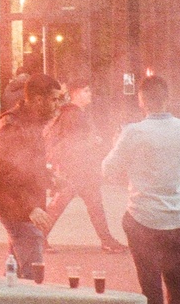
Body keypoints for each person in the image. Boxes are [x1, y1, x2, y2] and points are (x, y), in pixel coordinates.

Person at [103, 75, 180, 304]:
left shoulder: (134, 132)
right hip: (174, 214)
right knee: (175, 278)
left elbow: (108, 168)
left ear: (141, 100)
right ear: (167, 98)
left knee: (150, 283)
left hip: (142, 214)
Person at [0, 72, 60, 280]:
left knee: (15, 272)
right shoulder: (13, 125)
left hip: (21, 207)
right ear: (38, 100)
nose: (58, 105)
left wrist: (49, 177)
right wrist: (30, 208)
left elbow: (28, 166)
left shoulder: (30, 122)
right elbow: (6, 174)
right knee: (33, 274)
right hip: (16, 208)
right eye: (54, 99)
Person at [47, 82, 124, 252]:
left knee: (88, 205)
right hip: (76, 169)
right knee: (65, 205)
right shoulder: (74, 114)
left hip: (77, 169)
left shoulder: (71, 113)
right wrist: (94, 143)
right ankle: (38, 238)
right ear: (76, 93)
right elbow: (73, 142)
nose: (90, 94)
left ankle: (106, 240)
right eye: (86, 91)